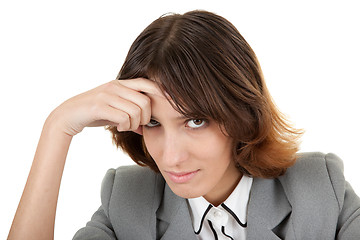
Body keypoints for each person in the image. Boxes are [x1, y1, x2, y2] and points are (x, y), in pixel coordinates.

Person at [8, 10, 360, 240]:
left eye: (195, 120)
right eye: (153, 123)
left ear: (241, 112)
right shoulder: (128, 203)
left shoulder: (320, 191)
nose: (171, 157)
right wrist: (58, 127)